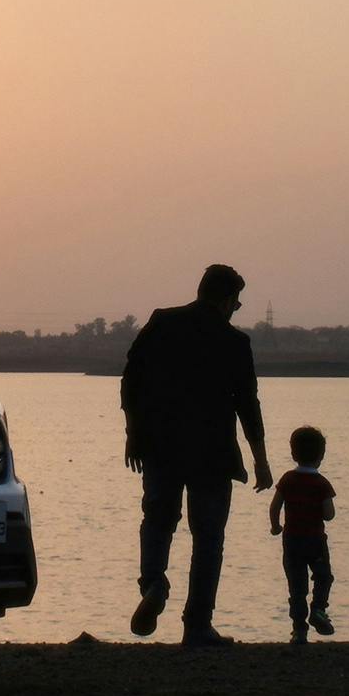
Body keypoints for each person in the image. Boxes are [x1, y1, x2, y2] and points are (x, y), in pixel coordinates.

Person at [120, 264, 273, 647]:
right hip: (212, 453)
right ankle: (198, 624)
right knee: (208, 538)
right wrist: (261, 460)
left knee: (157, 520)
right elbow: (247, 405)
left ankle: (153, 583)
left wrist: (133, 435)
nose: (236, 309)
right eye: (236, 302)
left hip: (159, 446)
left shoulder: (162, 323)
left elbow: (131, 382)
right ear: (225, 300)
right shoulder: (235, 342)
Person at [269, 425, 337, 645]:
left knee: (296, 586)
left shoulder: (288, 479)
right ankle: (318, 608)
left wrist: (275, 526)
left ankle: (299, 630)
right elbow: (329, 515)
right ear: (321, 455)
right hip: (315, 541)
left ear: (293, 453)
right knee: (323, 576)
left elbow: (275, 506)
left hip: (292, 541)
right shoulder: (322, 484)